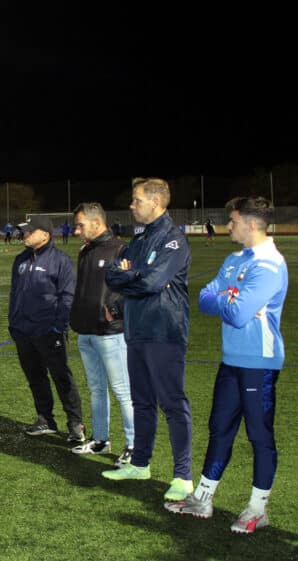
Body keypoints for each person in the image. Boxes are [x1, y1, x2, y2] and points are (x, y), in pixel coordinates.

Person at [165, 197, 287, 534]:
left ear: (249, 223)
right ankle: (202, 498)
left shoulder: (270, 265)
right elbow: (204, 298)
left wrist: (226, 299)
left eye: (231, 220)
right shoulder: (234, 260)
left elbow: (236, 313)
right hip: (231, 360)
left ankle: (258, 509)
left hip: (258, 363)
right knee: (220, 428)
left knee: (259, 435)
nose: (227, 226)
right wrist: (228, 298)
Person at [101, 178, 194, 503]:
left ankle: (183, 476)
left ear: (155, 202)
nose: (131, 205)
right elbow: (111, 275)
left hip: (164, 330)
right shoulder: (139, 242)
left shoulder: (173, 240)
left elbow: (153, 282)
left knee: (172, 403)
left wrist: (129, 276)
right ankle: (141, 463)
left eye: (136, 200)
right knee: (142, 401)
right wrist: (129, 276)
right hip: (137, 328)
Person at [8, 215, 84, 442]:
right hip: (23, 331)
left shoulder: (61, 261)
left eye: (30, 231)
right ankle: (45, 419)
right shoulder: (20, 260)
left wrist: (57, 327)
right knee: (35, 377)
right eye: (24, 231)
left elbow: (68, 297)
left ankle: (75, 424)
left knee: (62, 377)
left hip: (49, 331)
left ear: (45, 234)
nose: (25, 234)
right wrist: (13, 322)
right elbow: (15, 294)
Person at [70, 202, 135, 467]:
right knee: (96, 389)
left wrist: (116, 311)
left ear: (97, 223)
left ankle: (134, 445)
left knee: (122, 391)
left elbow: (133, 286)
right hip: (86, 331)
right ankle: (100, 439)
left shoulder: (120, 249)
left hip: (110, 333)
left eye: (81, 225)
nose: (76, 231)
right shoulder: (86, 251)